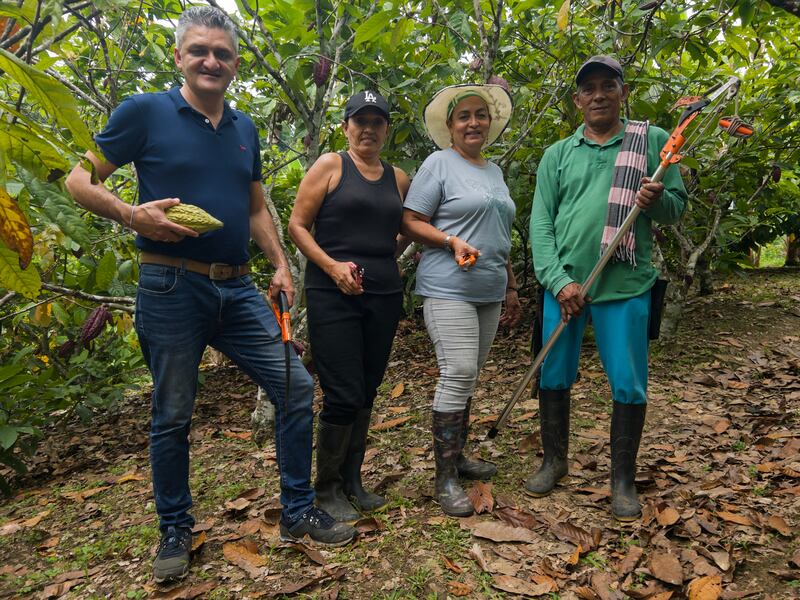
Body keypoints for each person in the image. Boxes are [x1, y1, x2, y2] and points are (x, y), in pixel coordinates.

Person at [64, 6, 355, 583]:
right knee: (172, 413)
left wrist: (280, 265)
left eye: (222, 53)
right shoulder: (144, 112)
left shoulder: (244, 128)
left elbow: (254, 208)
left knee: (295, 386)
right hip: (171, 283)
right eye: (199, 50)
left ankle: (297, 510)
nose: (210, 61)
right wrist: (133, 215)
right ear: (179, 56)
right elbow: (79, 180)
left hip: (237, 286)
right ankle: (175, 528)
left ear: (235, 64)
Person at [526, 56, 688, 521]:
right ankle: (554, 461)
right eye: (588, 88)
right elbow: (541, 223)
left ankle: (622, 480)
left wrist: (657, 200)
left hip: (626, 284)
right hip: (565, 286)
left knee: (628, 382)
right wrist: (559, 281)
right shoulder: (558, 153)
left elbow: (676, 209)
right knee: (554, 373)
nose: (598, 95)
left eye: (607, 86)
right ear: (577, 100)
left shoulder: (652, 141)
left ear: (623, 92)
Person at [288, 91, 410, 522]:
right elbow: (297, 225)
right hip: (331, 293)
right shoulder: (330, 165)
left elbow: (406, 229)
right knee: (342, 390)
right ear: (345, 127)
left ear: (387, 129)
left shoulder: (398, 178)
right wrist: (332, 266)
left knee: (368, 388)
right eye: (360, 121)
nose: (368, 129)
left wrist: (385, 258)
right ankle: (327, 488)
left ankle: (352, 479)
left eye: (377, 122)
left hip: (383, 294)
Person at [401, 84, 522, 517]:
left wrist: (511, 286)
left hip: (489, 289)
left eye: (480, 115)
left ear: (490, 123)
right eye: (464, 116)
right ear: (450, 126)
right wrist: (450, 240)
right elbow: (410, 221)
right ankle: (445, 478)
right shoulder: (439, 164)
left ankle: (458, 457)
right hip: (448, 286)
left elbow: (499, 235)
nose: (473, 122)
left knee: (470, 376)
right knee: (459, 371)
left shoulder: (495, 171)